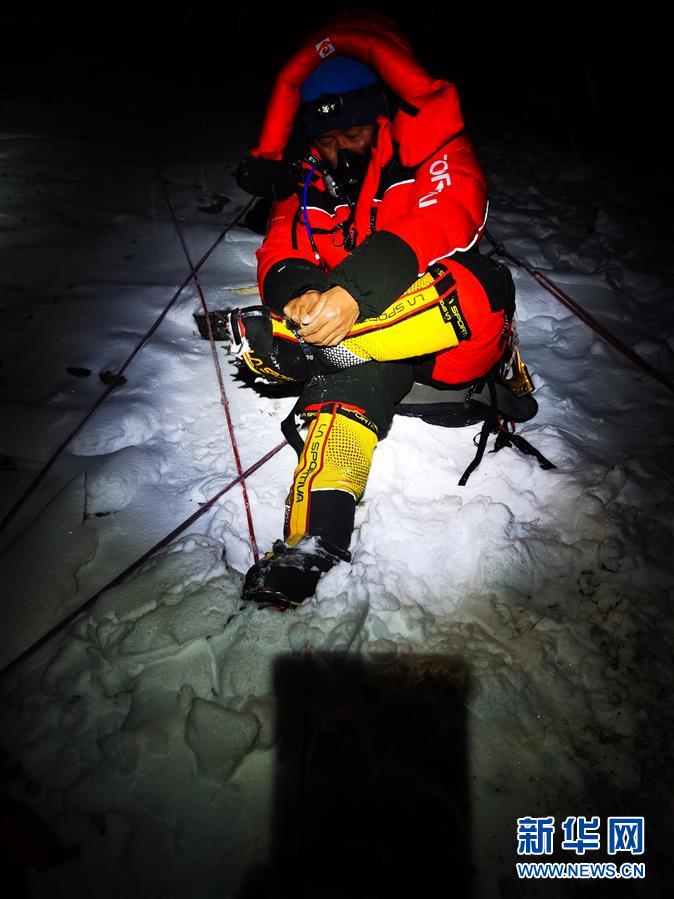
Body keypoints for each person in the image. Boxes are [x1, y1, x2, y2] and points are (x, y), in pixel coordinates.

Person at [229, 13, 520, 610]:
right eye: (327, 140)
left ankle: (305, 346)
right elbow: (280, 248)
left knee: (481, 280)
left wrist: (350, 294)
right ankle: (317, 541)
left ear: (380, 116)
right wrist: (300, 295)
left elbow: (447, 212)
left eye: (354, 134)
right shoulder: (309, 181)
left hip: (447, 341)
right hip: (366, 356)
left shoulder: (428, 151)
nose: (340, 149)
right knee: (342, 387)